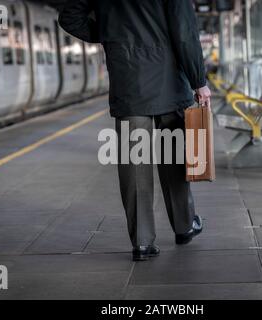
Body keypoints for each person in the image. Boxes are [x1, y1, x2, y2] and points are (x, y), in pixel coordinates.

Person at [59, 0, 211, 261]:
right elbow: (185, 34)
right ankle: (184, 226)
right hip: (170, 84)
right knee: (173, 160)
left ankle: (142, 242)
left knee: (135, 165)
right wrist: (199, 81)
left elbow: (70, 17)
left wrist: (109, 32)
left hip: (128, 80)